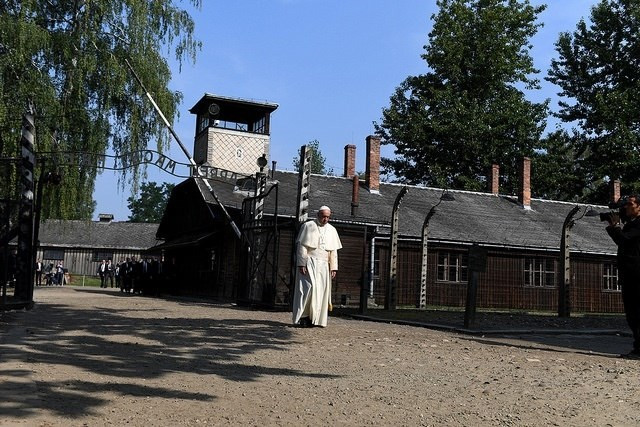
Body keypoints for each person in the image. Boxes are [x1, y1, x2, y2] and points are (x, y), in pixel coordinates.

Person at [292, 206, 342, 328]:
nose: (325, 219)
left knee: (321, 291)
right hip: (310, 262)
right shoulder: (308, 226)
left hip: (324, 265)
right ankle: (304, 317)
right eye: (323, 216)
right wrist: (302, 263)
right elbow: (302, 247)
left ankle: (318, 319)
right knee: (308, 289)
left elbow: (333, 251)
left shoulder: (332, 230)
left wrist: (333, 267)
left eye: (328, 217)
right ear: (318, 215)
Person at [605, 195, 640, 358]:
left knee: (637, 312)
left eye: (630, 204)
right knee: (632, 313)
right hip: (629, 274)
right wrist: (614, 227)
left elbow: (625, 239)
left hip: (637, 275)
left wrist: (615, 227)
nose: (626, 207)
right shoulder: (631, 225)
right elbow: (622, 242)